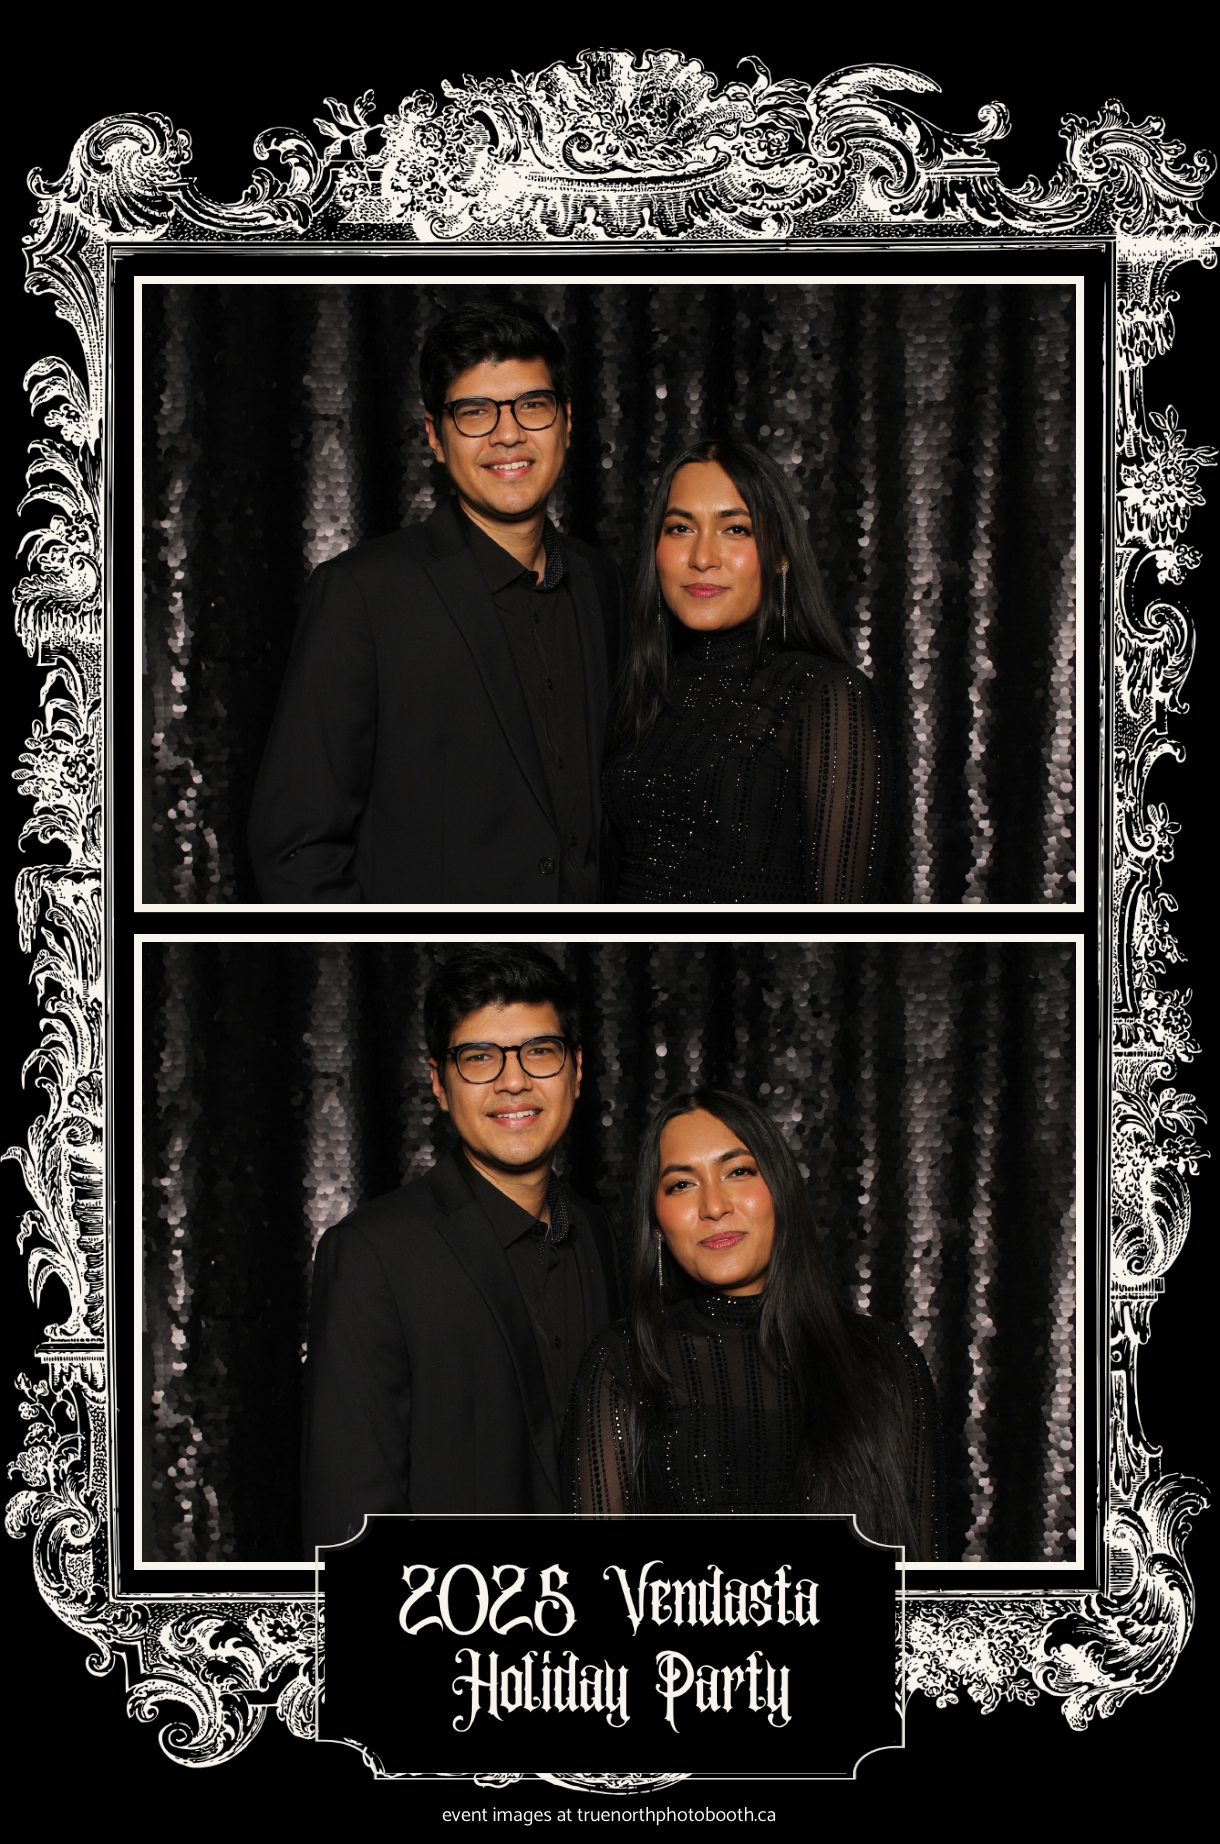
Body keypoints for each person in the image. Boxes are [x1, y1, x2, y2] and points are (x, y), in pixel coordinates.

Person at [248, 305, 624, 903]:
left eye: (532, 405)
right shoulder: (361, 594)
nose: (508, 434)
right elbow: (297, 850)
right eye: (475, 412)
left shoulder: (601, 580)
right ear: (435, 437)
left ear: (567, 421)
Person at [301, 946, 621, 1551]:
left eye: (539, 1051)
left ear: (577, 1070)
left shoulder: (597, 1231)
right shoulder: (371, 1253)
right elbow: (350, 1515)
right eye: (479, 1058)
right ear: (439, 1084)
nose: (513, 1081)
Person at [563, 1090, 944, 1559]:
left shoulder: (886, 1360)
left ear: (780, 1190)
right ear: (657, 1223)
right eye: (681, 1184)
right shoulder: (623, 1362)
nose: (714, 1205)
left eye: (738, 1172)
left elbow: (924, 1582)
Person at [603, 439, 889, 903]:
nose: (702, 558)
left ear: (781, 553)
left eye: (735, 529)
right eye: (680, 528)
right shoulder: (645, 684)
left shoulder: (826, 695)